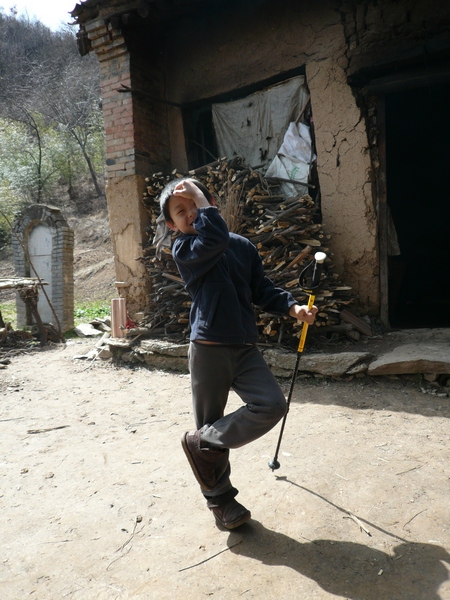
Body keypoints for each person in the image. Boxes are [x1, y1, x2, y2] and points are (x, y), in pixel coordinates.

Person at [155, 177, 317, 529]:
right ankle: (221, 503)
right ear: (171, 224)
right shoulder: (186, 248)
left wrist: (293, 309)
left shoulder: (242, 246)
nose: (190, 213)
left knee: (272, 405)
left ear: (209, 202)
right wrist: (204, 206)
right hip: (208, 348)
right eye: (181, 211)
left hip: (245, 348)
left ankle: (201, 443)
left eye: (196, 204)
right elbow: (214, 238)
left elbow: (261, 289)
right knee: (209, 421)